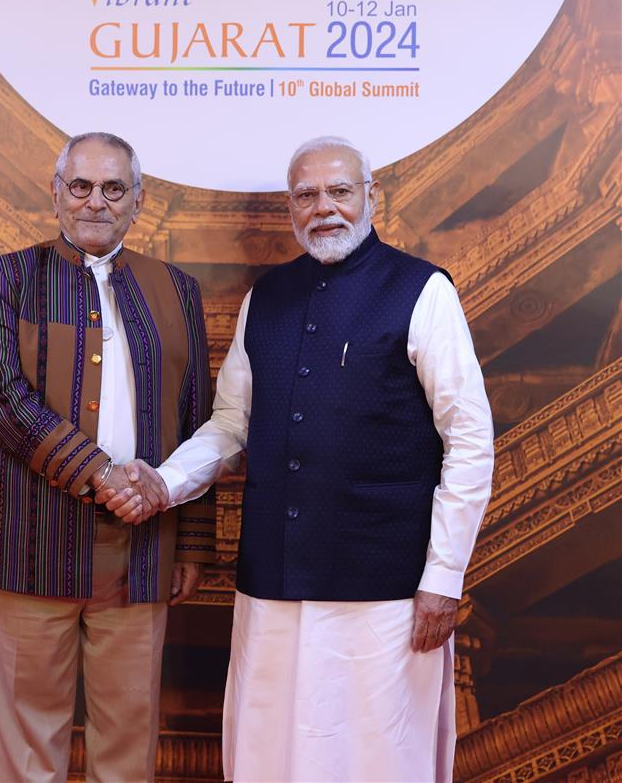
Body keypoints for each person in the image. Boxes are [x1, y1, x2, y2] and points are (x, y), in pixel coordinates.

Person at [153, 136, 495, 782]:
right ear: (290, 206)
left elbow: (471, 439)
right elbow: (231, 425)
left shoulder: (423, 291)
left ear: (372, 197)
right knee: (268, 756)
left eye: (340, 191)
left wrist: (444, 578)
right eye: (307, 195)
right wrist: (162, 484)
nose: (324, 208)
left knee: (379, 760)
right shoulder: (267, 297)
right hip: (273, 588)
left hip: (389, 596)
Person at [0, 132, 216, 783]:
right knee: (26, 749)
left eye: (113, 188)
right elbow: (1, 398)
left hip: (142, 552)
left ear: (138, 199)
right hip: (29, 543)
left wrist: (190, 541)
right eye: (81, 186)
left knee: (128, 748)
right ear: (56, 192)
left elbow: (198, 416)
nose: (95, 201)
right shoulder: (4, 279)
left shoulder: (179, 290)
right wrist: (101, 473)